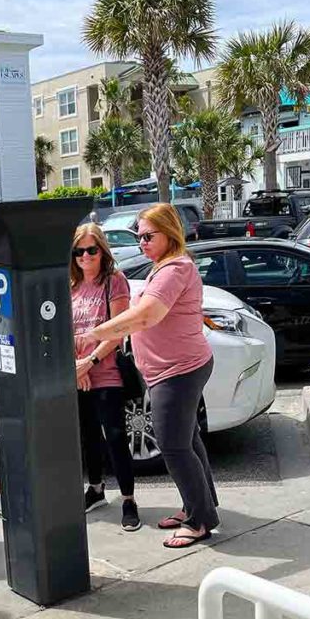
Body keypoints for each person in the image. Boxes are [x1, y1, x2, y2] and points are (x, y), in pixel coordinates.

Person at [89, 203, 219, 549]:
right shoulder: (163, 266)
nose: (141, 242)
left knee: (174, 446)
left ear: (169, 233)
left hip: (178, 371)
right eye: (138, 236)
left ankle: (199, 521)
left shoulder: (175, 269)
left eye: (148, 236)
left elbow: (147, 316)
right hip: (171, 368)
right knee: (188, 440)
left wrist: (94, 333)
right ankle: (200, 507)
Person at [70, 223, 140, 532]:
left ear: (102, 251)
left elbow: (119, 328)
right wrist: (77, 366)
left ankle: (128, 499)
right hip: (78, 373)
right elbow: (62, 329)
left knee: (114, 437)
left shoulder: (114, 281)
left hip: (107, 371)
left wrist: (90, 361)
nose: (85, 256)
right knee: (87, 436)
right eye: (79, 251)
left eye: (91, 250)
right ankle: (96, 488)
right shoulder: (69, 284)